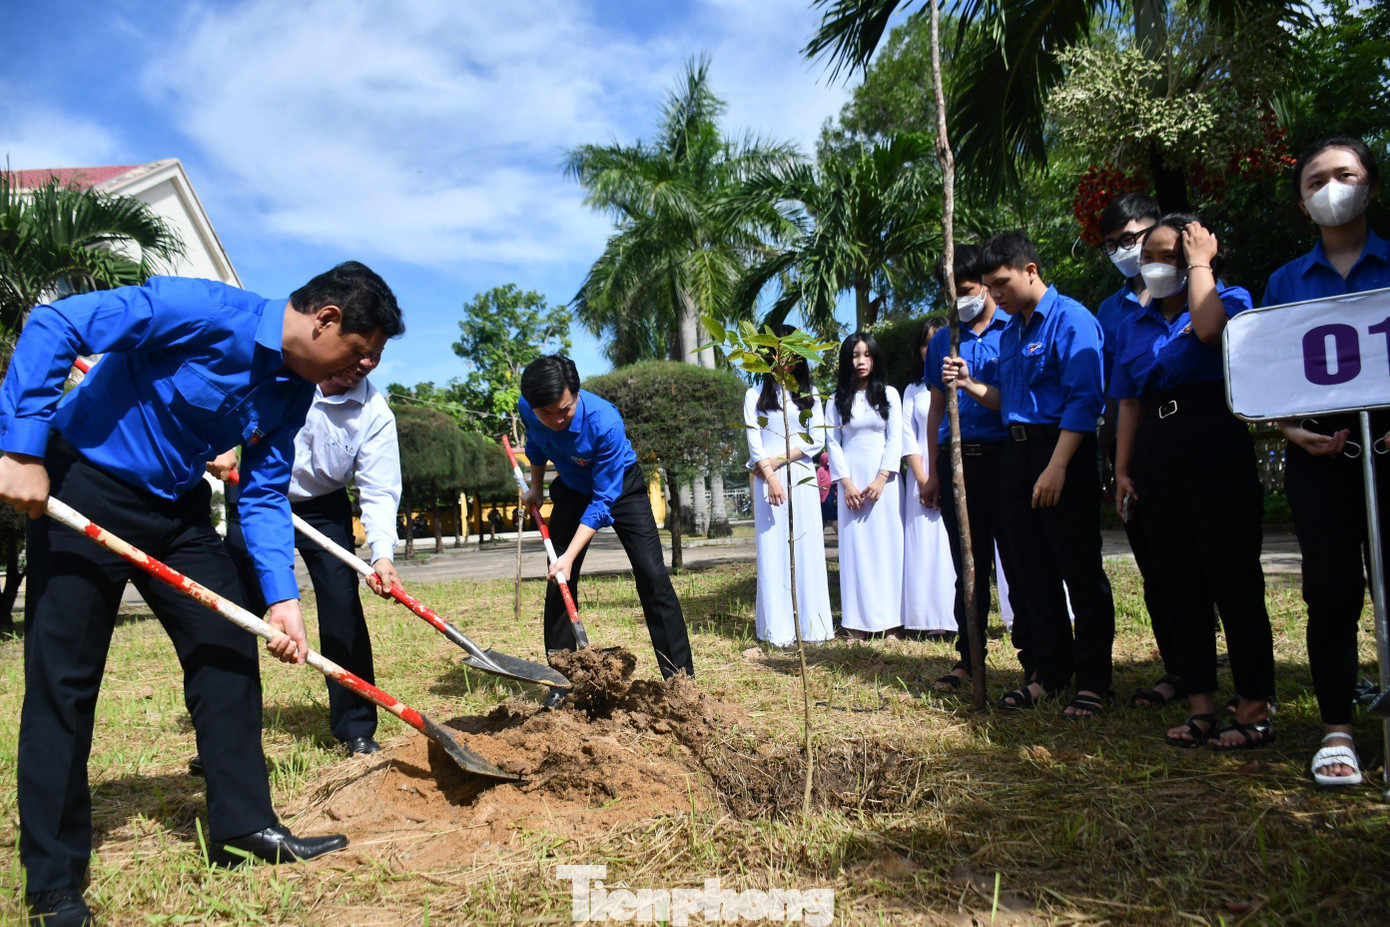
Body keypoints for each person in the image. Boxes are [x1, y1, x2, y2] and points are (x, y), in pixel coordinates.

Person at [0, 262, 403, 927]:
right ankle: (52, 883)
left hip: (176, 509)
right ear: (326, 318)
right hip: (85, 481)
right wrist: (21, 448)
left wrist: (282, 597)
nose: (360, 369)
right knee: (63, 680)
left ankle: (243, 829)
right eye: (360, 353)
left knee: (225, 646)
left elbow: (266, 491)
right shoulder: (200, 308)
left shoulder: (293, 389)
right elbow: (55, 322)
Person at [1111, 214, 1275, 750]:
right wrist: (1122, 468)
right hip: (1156, 452)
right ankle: (1201, 705)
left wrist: (1201, 262)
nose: (1155, 266)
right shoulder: (1135, 323)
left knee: (1233, 579)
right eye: (1149, 256)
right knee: (1177, 581)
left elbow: (1210, 333)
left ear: (1196, 257)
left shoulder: (1231, 301)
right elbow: (1130, 400)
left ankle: (1252, 708)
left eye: (1170, 255)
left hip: (1214, 442)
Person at [944, 231, 1115, 719]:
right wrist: (971, 385)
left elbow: (1085, 399)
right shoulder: (1015, 332)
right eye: (991, 288)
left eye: (1001, 284)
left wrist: (1057, 466)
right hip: (1016, 459)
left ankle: (1094, 680)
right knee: (1031, 575)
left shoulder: (1072, 320)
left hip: (1061, 453)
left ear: (1031, 270)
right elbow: (1008, 402)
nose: (995, 296)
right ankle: (1049, 673)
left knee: (1079, 572)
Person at [1264, 136, 1390, 786]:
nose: (1332, 187)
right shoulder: (1285, 282)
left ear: (1371, 182)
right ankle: (1336, 729)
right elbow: (1270, 375)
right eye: (1316, 180)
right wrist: (1291, 429)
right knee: (1332, 593)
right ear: (1302, 200)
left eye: (1345, 174)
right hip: (1320, 459)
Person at [214, 347, 402, 761]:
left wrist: (382, 554)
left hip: (323, 506)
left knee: (342, 606)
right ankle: (223, 733)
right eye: (360, 350)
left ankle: (356, 728)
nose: (366, 362)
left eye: (377, 353)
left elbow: (378, 489)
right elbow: (228, 405)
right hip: (257, 494)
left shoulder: (375, 413)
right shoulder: (280, 373)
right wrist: (225, 442)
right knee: (234, 610)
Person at [518, 355, 694, 697]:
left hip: (620, 487)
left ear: (577, 393)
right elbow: (536, 445)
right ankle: (562, 679)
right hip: (570, 487)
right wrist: (536, 487)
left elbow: (602, 502)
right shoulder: (530, 408)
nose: (556, 420)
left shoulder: (605, 422)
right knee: (559, 580)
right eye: (546, 413)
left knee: (653, 576)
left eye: (564, 410)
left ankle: (681, 681)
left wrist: (569, 553)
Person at [1094, 193, 1188, 709]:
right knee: (1155, 566)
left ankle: (1241, 680)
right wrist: (1114, 461)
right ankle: (1178, 669)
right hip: (1133, 445)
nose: (1126, 251)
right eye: (1114, 244)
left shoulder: (1201, 290)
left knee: (1210, 562)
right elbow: (1117, 392)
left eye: (1132, 239)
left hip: (1195, 438)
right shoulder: (1111, 310)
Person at [923, 245, 1016, 689]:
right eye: (950, 293)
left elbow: (1016, 401)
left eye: (966, 291)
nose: (960, 301)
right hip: (958, 461)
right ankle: (969, 657)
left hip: (1005, 457)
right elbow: (936, 408)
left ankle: (1033, 659)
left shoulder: (1013, 329)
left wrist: (971, 384)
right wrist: (933, 470)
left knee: (1019, 561)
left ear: (987, 285)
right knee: (968, 566)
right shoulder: (944, 339)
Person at [742, 335, 833, 648]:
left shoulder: (810, 394)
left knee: (807, 547)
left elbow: (816, 438)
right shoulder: (754, 395)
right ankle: (777, 629)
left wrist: (776, 462)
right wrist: (770, 477)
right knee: (772, 549)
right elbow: (754, 443)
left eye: (791, 353)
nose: (784, 360)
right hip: (767, 481)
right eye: (776, 353)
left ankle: (813, 627)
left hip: (801, 476)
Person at [826, 332, 904, 639]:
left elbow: (895, 438)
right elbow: (833, 443)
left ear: (875, 358)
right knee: (855, 550)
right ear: (847, 361)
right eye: (855, 355)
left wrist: (882, 477)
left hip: (884, 483)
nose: (861, 361)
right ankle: (856, 622)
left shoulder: (889, 395)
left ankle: (893, 623)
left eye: (867, 355)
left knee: (887, 548)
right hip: (852, 484)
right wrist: (846, 484)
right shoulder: (836, 400)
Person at [900, 316, 957, 641]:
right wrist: (923, 479)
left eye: (937, 340)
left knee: (949, 547)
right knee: (923, 546)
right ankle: (922, 618)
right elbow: (908, 436)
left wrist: (941, 474)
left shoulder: (961, 382)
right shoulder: (913, 390)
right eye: (926, 342)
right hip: (920, 478)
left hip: (950, 470)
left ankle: (953, 617)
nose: (930, 348)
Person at [817, 453, 837, 534]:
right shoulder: (820, 470)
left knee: (829, 517)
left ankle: (819, 536)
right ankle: (818, 536)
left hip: (832, 495)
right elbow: (818, 483)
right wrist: (830, 483)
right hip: (825, 496)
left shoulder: (831, 469)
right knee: (831, 517)